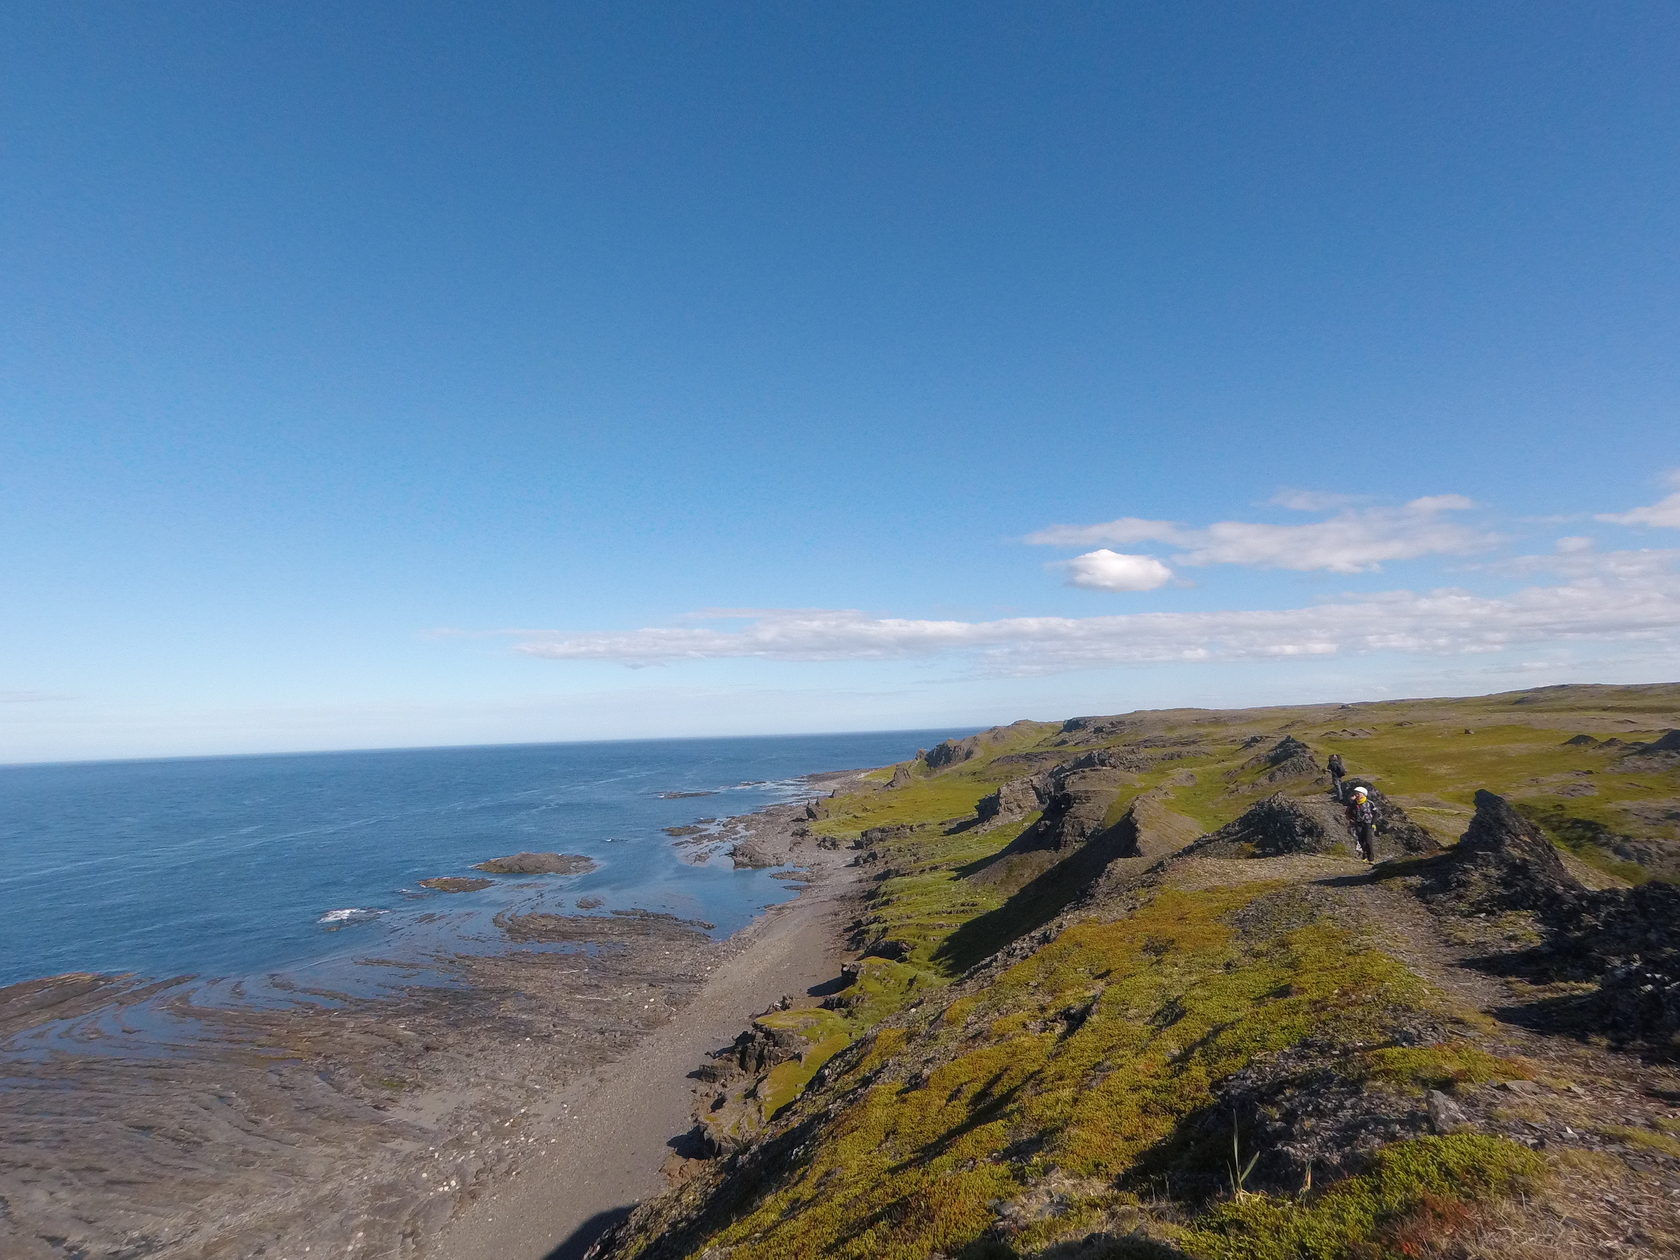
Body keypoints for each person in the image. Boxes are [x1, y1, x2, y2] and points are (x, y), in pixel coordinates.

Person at [1345, 785, 1375, 862]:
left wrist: (1373, 823)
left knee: (1368, 841)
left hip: (1368, 824)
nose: (1356, 795)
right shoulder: (1353, 804)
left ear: (1363, 794)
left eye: (1358, 793)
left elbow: (1376, 813)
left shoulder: (1370, 803)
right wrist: (1350, 819)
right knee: (1361, 840)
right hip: (1358, 824)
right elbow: (1348, 812)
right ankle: (1364, 855)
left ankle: (1371, 859)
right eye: (1356, 793)